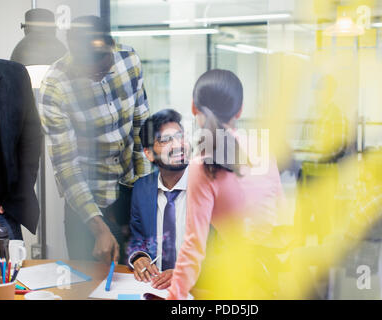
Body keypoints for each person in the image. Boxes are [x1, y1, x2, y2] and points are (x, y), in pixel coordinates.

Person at [38, 16, 151, 264]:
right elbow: (67, 165)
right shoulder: (55, 87)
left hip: (129, 192)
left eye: (105, 66)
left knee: (138, 278)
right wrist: (99, 229)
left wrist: (145, 193)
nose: (101, 74)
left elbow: (141, 128)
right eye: (93, 71)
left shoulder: (128, 59)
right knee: (89, 284)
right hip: (87, 202)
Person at [167, 69, 284, 300]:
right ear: (239, 111)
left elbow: (193, 247)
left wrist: (174, 298)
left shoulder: (203, 164)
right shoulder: (262, 148)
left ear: (193, 108)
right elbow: (279, 212)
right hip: (276, 275)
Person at [127, 109, 191, 290]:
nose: (178, 144)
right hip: (154, 287)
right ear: (149, 154)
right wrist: (139, 257)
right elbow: (137, 238)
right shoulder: (142, 189)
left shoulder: (212, 186)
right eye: (165, 140)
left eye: (180, 136)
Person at [0, 57, 42, 238]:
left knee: (12, 267)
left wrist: (18, 195)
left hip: (1, 212)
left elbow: (32, 139)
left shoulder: (15, 75)